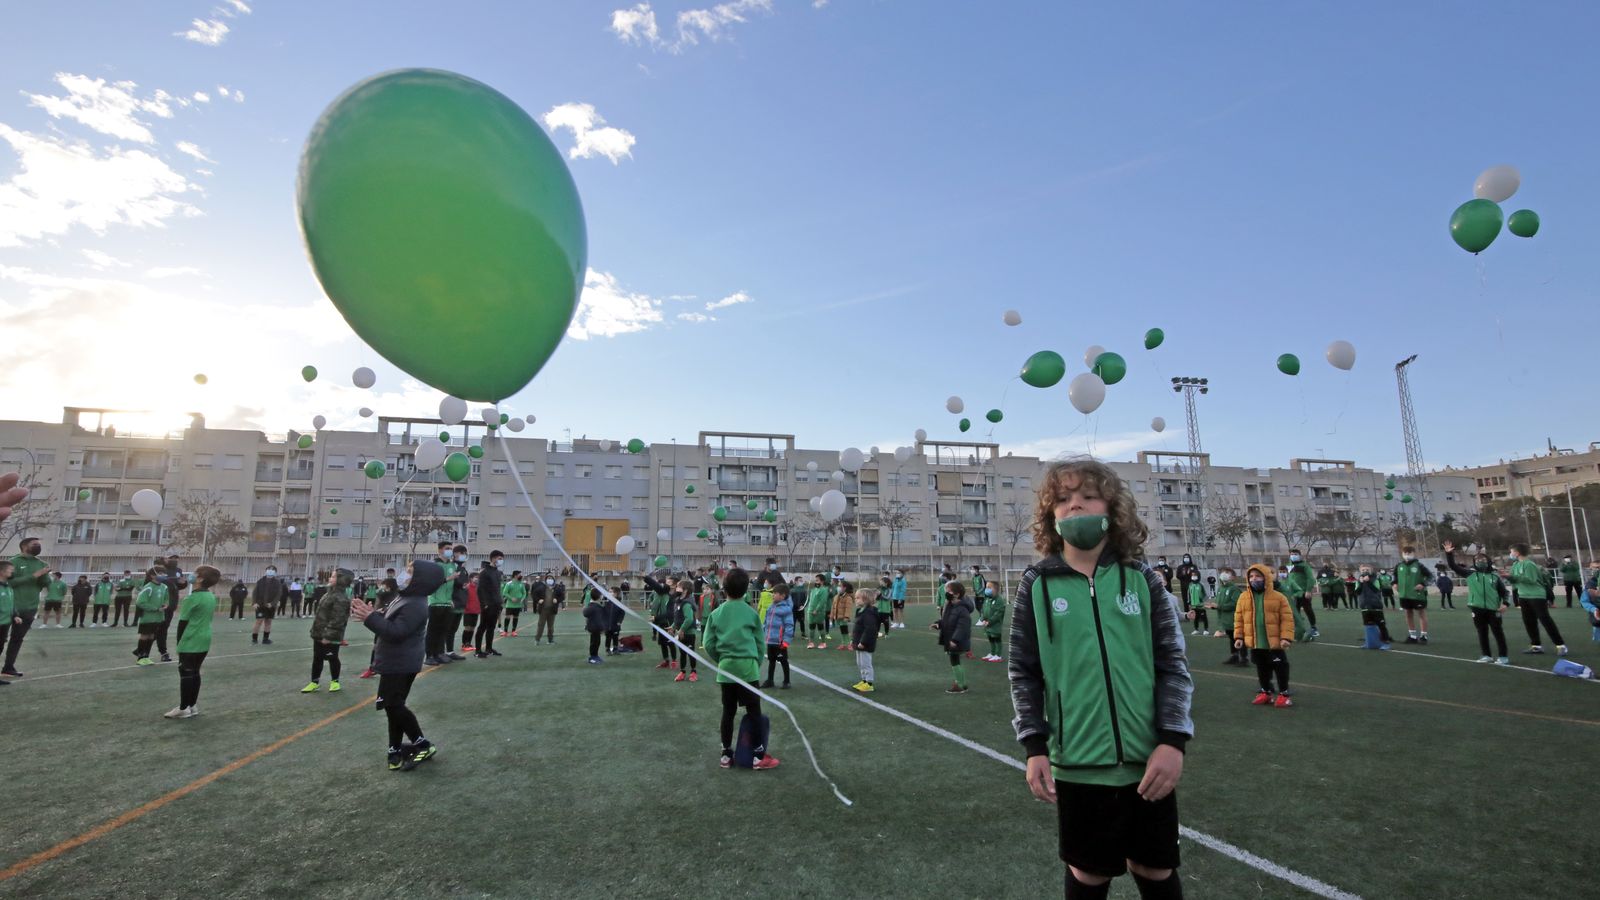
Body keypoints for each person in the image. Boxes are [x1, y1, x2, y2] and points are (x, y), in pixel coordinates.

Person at [1008, 459, 1192, 899]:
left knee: (1155, 867)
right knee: (1088, 873)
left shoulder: (1143, 579)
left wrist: (1172, 741)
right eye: (1064, 499)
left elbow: (1173, 665)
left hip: (1150, 762)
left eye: (1088, 496)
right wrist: (1035, 746)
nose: (1076, 506)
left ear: (1112, 508)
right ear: (1051, 515)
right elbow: (1023, 672)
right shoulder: (1036, 584)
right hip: (1077, 763)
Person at [352, 559, 443, 771]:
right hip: (395, 661)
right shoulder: (405, 597)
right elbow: (390, 621)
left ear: (420, 579)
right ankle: (394, 750)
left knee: (393, 705)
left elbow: (396, 632)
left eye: (410, 571)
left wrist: (370, 618)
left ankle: (422, 744)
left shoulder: (416, 604)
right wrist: (373, 614)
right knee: (392, 707)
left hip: (401, 663)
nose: (404, 574)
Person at [702, 567, 778, 770]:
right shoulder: (751, 613)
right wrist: (754, 662)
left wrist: (722, 660)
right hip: (748, 669)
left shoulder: (716, 613)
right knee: (754, 712)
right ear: (746, 590)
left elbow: (708, 642)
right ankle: (757, 756)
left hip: (726, 670)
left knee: (728, 711)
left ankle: (726, 755)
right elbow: (760, 643)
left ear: (724, 589)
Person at [163, 565, 220, 718]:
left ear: (200, 579)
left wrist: (179, 643)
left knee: (186, 672)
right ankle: (192, 705)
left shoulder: (191, 598)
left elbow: (183, 623)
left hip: (191, 638)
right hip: (205, 638)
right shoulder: (210, 596)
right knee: (195, 672)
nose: (192, 575)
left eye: (195, 573)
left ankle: (183, 708)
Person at [1234, 564, 1294, 707]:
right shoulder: (1243, 597)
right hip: (1256, 641)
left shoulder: (1279, 597)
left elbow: (1287, 619)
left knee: (1280, 667)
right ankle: (1265, 691)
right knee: (1261, 667)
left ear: (1266, 578)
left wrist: (1286, 637)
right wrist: (1239, 637)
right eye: (1251, 576)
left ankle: (1283, 694)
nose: (1254, 579)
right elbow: (1239, 618)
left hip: (1274, 642)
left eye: (1258, 576)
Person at [1442, 542, 1509, 664]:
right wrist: (1449, 553)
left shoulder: (1495, 577)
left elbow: (1505, 592)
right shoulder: (1469, 574)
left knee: (1498, 633)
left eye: (1483, 559)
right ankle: (1486, 655)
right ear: (1474, 562)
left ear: (1488, 561)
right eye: (1477, 560)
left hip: (1494, 609)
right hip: (1477, 609)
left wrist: (1505, 604)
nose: (1480, 561)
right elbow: (1453, 566)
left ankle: (1503, 657)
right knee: (1482, 633)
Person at [3, 536, 50, 678]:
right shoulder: (13, 562)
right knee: (1, 639)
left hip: (29, 607)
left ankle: (8, 667)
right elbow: (8, 584)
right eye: (35, 544)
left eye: (39, 544)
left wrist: (46, 577)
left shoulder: (41, 564)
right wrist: (33, 576)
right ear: (24, 546)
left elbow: (44, 583)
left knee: (17, 639)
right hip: (9, 607)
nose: (38, 546)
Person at [1508, 543, 1566, 656]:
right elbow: (1515, 580)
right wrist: (1508, 577)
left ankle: (1561, 645)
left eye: (1512, 551)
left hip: (1536, 595)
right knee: (1529, 621)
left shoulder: (1529, 564)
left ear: (1517, 553)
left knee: (1545, 620)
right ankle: (1536, 646)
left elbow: (1531, 580)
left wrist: (1512, 577)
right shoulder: (1515, 565)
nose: (1510, 554)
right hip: (1523, 596)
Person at [303, 568, 353, 692]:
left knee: (332, 657)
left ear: (341, 580)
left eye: (333, 577)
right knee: (317, 658)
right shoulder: (328, 594)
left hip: (331, 635)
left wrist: (328, 636)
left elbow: (338, 619)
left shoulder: (341, 598)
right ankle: (314, 682)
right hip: (319, 632)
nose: (330, 578)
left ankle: (335, 682)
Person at [935, 580, 973, 693]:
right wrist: (938, 624)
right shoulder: (950, 605)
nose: (946, 593)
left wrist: (955, 639)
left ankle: (960, 684)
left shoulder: (962, 609)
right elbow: (946, 621)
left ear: (956, 594)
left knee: (955, 661)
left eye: (948, 591)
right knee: (954, 661)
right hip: (950, 639)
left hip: (956, 641)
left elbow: (963, 627)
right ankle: (961, 683)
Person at [425, 541, 457, 665]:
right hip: (435, 602)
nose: (450, 551)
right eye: (447, 548)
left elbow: (451, 586)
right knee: (432, 630)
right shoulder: (434, 565)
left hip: (447, 602)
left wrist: (451, 599)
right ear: (440, 550)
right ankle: (429, 655)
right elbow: (432, 583)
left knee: (443, 630)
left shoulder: (452, 565)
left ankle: (439, 653)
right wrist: (449, 578)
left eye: (451, 548)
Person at [1394, 545, 1433, 644]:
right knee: (1408, 614)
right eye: (1405, 554)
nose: (1407, 555)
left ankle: (1423, 636)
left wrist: (1423, 584)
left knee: (1421, 613)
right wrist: (1394, 584)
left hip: (1417, 595)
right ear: (1402, 554)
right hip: (1404, 595)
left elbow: (1431, 577)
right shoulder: (1399, 566)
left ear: (1413, 554)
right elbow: (1395, 578)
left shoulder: (1419, 565)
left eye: (1409, 553)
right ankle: (1412, 636)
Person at [132, 568, 170, 666]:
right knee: (145, 636)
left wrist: (165, 604)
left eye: (164, 573)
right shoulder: (148, 587)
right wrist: (155, 608)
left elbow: (166, 598)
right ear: (152, 576)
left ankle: (146, 656)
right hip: (148, 617)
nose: (164, 575)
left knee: (152, 636)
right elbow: (140, 602)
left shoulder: (164, 587)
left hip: (158, 617)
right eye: (161, 573)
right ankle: (140, 657)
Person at [761, 582, 794, 688]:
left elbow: (789, 626)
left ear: (783, 596)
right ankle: (770, 680)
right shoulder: (771, 607)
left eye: (775, 593)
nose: (773, 595)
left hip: (779, 642)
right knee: (771, 660)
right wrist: (763, 632)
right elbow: (766, 622)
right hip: (770, 640)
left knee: (783, 661)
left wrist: (786, 641)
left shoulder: (786, 609)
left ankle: (787, 681)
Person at [1352, 566, 1394, 649]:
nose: (1365, 571)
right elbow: (1357, 592)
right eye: (1363, 570)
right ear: (1360, 571)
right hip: (1364, 606)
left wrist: (1368, 582)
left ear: (1371, 570)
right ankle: (1369, 642)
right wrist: (1360, 583)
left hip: (1376, 606)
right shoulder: (1358, 581)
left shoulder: (1376, 579)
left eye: (1367, 570)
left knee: (1381, 625)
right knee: (1368, 625)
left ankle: (1385, 642)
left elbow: (1376, 590)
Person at [1282, 548, 1318, 640]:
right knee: (1294, 612)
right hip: (1293, 594)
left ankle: (1314, 628)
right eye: (1291, 554)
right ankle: (1298, 629)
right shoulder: (1288, 566)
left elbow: (1310, 578)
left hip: (1303, 592)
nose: (1293, 556)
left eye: (1295, 554)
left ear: (1299, 555)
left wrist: (1308, 590)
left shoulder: (1305, 566)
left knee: (1308, 609)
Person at [1213, 567, 1245, 665]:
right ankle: (1234, 656)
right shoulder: (1220, 589)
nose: (1224, 574)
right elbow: (1218, 602)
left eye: (1227, 573)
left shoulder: (1234, 589)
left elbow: (1236, 603)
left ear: (1233, 577)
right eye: (1223, 572)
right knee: (1232, 638)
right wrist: (1214, 606)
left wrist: (1220, 606)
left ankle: (1244, 658)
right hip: (1225, 619)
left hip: (1234, 618)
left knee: (1239, 637)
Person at [850, 588, 880, 692]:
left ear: (866, 599)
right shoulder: (860, 611)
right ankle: (864, 680)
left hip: (865, 644)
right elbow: (858, 628)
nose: (856, 600)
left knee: (866, 663)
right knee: (860, 663)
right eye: (855, 598)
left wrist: (863, 642)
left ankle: (869, 683)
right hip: (858, 642)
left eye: (858, 598)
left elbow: (870, 629)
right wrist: (854, 640)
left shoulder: (869, 613)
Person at [670, 580, 699, 681]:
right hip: (680, 633)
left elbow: (689, 619)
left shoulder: (687, 603)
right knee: (682, 653)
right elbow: (678, 618)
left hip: (689, 633)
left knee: (691, 652)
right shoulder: (678, 601)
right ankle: (682, 672)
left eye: (678, 587)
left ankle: (693, 672)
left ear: (685, 590)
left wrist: (681, 629)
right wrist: (673, 626)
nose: (676, 588)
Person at [252, 566, 283, 645]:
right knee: (258, 621)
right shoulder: (260, 581)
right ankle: (254, 639)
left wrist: (272, 604)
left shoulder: (277, 582)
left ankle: (265, 639)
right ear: (266, 571)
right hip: (260, 605)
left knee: (268, 622)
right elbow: (255, 592)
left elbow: (278, 594)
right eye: (269, 570)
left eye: (272, 570)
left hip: (271, 606)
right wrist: (254, 603)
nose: (270, 571)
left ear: (275, 573)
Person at [977, 583, 1006, 662]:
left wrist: (990, 621)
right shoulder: (987, 599)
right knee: (991, 638)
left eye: (989, 587)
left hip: (995, 624)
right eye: (986, 587)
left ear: (996, 590)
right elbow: (983, 610)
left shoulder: (999, 600)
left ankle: (998, 655)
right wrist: (982, 619)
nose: (987, 589)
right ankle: (993, 653)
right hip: (987, 624)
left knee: (996, 638)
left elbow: (998, 613)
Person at [804, 574, 832, 649]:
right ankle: (811, 642)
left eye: (817, 580)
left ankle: (823, 643)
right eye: (815, 580)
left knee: (820, 627)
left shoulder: (824, 590)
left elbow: (822, 601)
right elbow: (809, 600)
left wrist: (817, 610)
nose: (816, 582)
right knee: (811, 627)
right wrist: (805, 607)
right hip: (810, 611)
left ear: (822, 581)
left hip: (819, 612)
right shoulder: (813, 590)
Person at [582, 584, 608, 665]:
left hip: (597, 628)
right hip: (593, 628)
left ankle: (595, 655)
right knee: (593, 643)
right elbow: (585, 613)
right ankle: (592, 657)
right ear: (598, 596)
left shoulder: (599, 606)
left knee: (597, 642)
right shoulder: (592, 606)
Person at [534, 573, 561, 646]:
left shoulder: (557, 588)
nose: (550, 580)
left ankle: (550, 640)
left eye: (551, 578)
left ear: (554, 580)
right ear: (546, 580)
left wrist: (557, 600)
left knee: (551, 626)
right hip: (543, 610)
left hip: (552, 610)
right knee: (541, 625)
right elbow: (534, 594)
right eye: (548, 578)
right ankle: (537, 640)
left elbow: (562, 596)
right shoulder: (541, 587)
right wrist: (538, 600)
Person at [830, 578, 855, 651]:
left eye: (840, 586)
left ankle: (849, 644)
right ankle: (844, 643)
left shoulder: (848, 598)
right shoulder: (836, 596)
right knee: (842, 630)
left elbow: (848, 608)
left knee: (845, 630)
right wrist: (832, 615)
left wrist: (846, 617)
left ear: (845, 588)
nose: (838, 587)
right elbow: (833, 607)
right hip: (838, 617)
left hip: (844, 618)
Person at [0, 562, 15, 685]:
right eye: (10, 570)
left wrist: (15, 615)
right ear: (2, 572)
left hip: (5, 624)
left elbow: (10, 604)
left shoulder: (8, 586)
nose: (12, 572)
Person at [502, 571, 526, 637]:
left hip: (518, 605)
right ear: (515, 575)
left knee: (516, 617)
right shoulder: (509, 584)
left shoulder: (521, 584)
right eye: (519, 574)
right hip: (510, 605)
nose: (521, 576)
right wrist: (511, 598)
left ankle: (513, 631)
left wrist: (522, 599)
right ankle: (505, 631)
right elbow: (505, 593)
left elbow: (524, 593)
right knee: (507, 617)